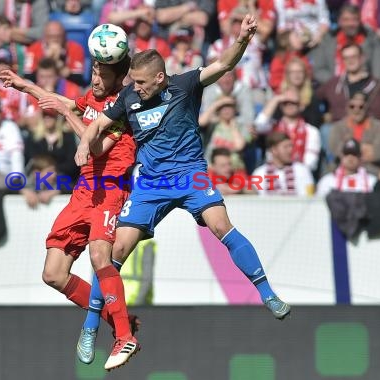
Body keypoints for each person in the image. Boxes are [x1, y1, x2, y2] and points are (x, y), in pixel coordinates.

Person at [72, 13, 291, 363]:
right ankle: (90, 327)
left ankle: (267, 294)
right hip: (150, 184)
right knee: (113, 254)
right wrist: (85, 144)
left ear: (161, 78)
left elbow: (224, 64)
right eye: (134, 82)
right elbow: (98, 123)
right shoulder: (129, 97)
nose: (136, 88)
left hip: (190, 175)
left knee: (222, 225)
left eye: (142, 82)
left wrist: (244, 39)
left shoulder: (186, 85)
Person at [0, 51, 140, 370]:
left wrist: (64, 111)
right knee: (53, 273)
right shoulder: (91, 97)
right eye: (93, 71)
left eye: (102, 74)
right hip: (83, 193)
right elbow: (63, 99)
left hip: (111, 190)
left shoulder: (124, 108)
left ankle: (125, 336)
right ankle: (119, 320)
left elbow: (96, 146)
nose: (95, 78)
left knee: (100, 257)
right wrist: (25, 85)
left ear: (118, 79)